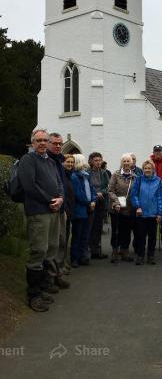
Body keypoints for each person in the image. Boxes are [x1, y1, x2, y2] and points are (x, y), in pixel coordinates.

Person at [19, 129, 64, 312]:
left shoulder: (50, 162)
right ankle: (33, 295)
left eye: (45, 140)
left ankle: (43, 286)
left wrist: (60, 198)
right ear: (32, 142)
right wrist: (49, 201)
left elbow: (59, 183)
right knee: (38, 251)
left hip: (53, 211)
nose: (43, 143)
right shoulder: (28, 160)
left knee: (51, 248)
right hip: (38, 212)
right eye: (39, 140)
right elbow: (29, 186)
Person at [47, 133, 70, 288]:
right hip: (49, 207)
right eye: (54, 143)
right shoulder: (46, 160)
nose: (57, 146)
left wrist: (65, 207)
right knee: (51, 244)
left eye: (60, 143)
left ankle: (59, 272)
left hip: (62, 208)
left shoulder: (60, 160)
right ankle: (50, 277)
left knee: (62, 241)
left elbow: (63, 184)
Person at [131, 160, 162, 265]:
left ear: (153, 169)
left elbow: (160, 198)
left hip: (153, 214)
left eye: (149, 168)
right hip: (141, 214)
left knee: (152, 237)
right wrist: (137, 207)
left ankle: (151, 255)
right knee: (140, 236)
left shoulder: (158, 181)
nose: (147, 170)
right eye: (145, 168)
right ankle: (140, 256)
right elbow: (134, 195)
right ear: (143, 169)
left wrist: (160, 213)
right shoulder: (138, 180)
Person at [108, 153, 137, 263]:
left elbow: (135, 192)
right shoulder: (115, 175)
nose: (126, 163)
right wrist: (116, 202)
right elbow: (110, 190)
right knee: (116, 230)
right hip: (116, 208)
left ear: (132, 163)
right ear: (121, 163)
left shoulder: (135, 177)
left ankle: (125, 250)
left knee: (126, 230)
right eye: (124, 161)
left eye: (128, 161)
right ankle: (115, 251)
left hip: (129, 209)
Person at [70, 154, 96, 268]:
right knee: (77, 235)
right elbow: (78, 194)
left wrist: (94, 200)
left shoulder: (86, 175)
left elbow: (92, 189)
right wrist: (88, 202)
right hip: (80, 209)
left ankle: (82, 256)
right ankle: (75, 258)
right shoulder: (74, 177)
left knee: (85, 235)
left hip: (88, 208)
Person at [88, 152, 110, 260]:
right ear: (91, 161)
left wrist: (102, 191)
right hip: (91, 203)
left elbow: (107, 187)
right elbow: (87, 186)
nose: (98, 162)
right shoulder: (87, 173)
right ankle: (88, 250)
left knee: (98, 227)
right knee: (90, 227)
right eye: (96, 160)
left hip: (101, 203)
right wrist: (95, 193)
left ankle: (96, 251)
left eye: (99, 160)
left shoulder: (104, 173)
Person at [62, 154, 75, 268]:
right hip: (63, 212)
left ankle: (64, 261)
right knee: (62, 239)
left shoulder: (70, 175)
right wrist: (64, 210)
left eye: (72, 162)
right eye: (68, 162)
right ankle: (61, 263)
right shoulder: (62, 176)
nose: (70, 164)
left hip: (69, 211)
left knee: (66, 238)